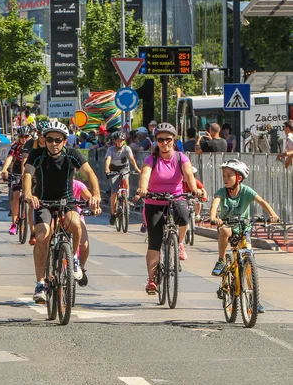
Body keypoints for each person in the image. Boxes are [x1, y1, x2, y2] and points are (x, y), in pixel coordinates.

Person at [23, 121, 102, 303]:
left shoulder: (72, 154)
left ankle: (73, 260)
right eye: (49, 139)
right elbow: (27, 173)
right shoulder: (37, 154)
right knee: (42, 236)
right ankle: (40, 283)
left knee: (75, 224)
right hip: (43, 202)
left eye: (58, 139)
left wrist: (96, 195)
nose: (53, 143)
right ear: (45, 140)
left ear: (65, 141)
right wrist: (28, 193)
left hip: (67, 202)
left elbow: (90, 173)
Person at [136, 122, 202, 295]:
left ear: (174, 140)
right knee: (155, 242)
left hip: (176, 197)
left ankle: (179, 242)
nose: (164, 143)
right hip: (154, 200)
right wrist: (143, 189)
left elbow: (188, 175)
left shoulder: (181, 158)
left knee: (184, 216)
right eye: (160, 139)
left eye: (168, 139)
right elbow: (145, 175)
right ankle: (152, 280)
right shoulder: (151, 159)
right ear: (156, 141)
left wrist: (194, 188)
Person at [209, 159, 279, 313]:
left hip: (243, 228)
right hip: (228, 226)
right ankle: (221, 261)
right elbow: (215, 204)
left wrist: (273, 214)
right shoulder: (222, 192)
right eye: (224, 176)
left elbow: (261, 201)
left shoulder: (246, 191)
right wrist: (214, 217)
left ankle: (254, 301)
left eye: (229, 175)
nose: (225, 179)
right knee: (225, 231)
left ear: (239, 178)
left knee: (249, 259)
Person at [104, 131, 140, 225]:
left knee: (126, 181)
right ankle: (113, 213)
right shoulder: (111, 149)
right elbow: (108, 159)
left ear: (124, 141)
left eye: (121, 140)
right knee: (114, 192)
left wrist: (136, 168)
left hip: (124, 168)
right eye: (118, 141)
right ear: (114, 141)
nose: (119, 142)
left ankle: (126, 199)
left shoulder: (127, 148)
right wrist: (107, 169)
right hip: (113, 169)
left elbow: (131, 159)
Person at [1, 126, 30, 235]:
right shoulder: (15, 146)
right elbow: (9, 158)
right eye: (22, 137)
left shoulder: (33, 145)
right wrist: (4, 169)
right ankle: (14, 223)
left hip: (30, 169)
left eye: (26, 136)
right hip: (17, 169)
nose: (24, 139)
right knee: (16, 194)